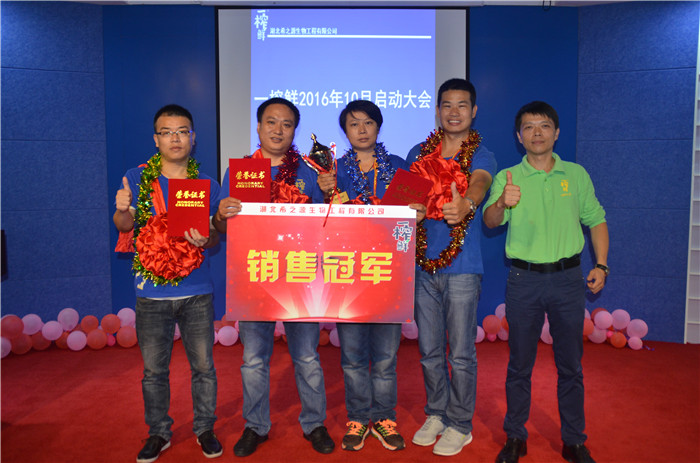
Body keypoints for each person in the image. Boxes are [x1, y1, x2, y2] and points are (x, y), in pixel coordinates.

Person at [483, 101, 608, 463]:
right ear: (518, 136)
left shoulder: (576, 175)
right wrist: (502, 203)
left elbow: (596, 220)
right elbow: (490, 221)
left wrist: (602, 265)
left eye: (544, 126)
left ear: (556, 133)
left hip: (568, 280)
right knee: (519, 365)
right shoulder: (509, 176)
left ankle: (574, 440)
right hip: (524, 281)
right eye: (528, 127)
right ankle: (515, 436)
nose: (536, 133)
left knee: (571, 366)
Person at [213, 97, 334, 457]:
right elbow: (223, 227)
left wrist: (329, 193)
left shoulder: (308, 171)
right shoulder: (240, 173)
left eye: (286, 124)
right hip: (256, 274)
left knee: (307, 357)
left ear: (294, 130)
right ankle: (256, 426)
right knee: (253, 359)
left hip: (301, 274)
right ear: (258, 126)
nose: (278, 130)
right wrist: (220, 214)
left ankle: (314, 423)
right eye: (271, 122)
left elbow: (327, 223)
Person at [113, 104, 223, 463]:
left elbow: (215, 238)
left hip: (197, 291)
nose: (175, 138)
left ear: (193, 138)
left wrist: (205, 238)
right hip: (151, 294)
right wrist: (122, 209)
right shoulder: (136, 178)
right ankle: (158, 432)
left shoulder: (206, 185)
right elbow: (124, 226)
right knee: (153, 372)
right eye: (167, 132)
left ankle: (205, 428)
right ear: (156, 139)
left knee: (203, 368)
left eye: (182, 131)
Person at [316, 100, 426, 452]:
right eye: (353, 124)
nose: (361, 130)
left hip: (388, 274)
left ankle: (384, 417)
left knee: (385, 358)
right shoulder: (334, 172)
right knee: (352, 357)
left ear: (379, 127)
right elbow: (322, 222)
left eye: (368, 123)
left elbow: (410, 219)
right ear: (345, 131)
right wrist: (324, 191)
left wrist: (417, 213)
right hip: (349, 275)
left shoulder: (398, 165)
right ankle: (358, 418)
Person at [405, 78, 497, 457]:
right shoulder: (418, 152)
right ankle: (437, 413)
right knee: (429, 350)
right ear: (438, 111)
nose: (454, 112)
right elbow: (406, 199)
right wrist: (409, 210)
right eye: (447, 105)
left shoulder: (482, 154)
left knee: (460, 353)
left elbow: (480, 183)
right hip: (422, 267)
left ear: (473, 111)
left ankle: (460, 423)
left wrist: (467, 205)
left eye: (462, 105)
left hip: (462, 268)